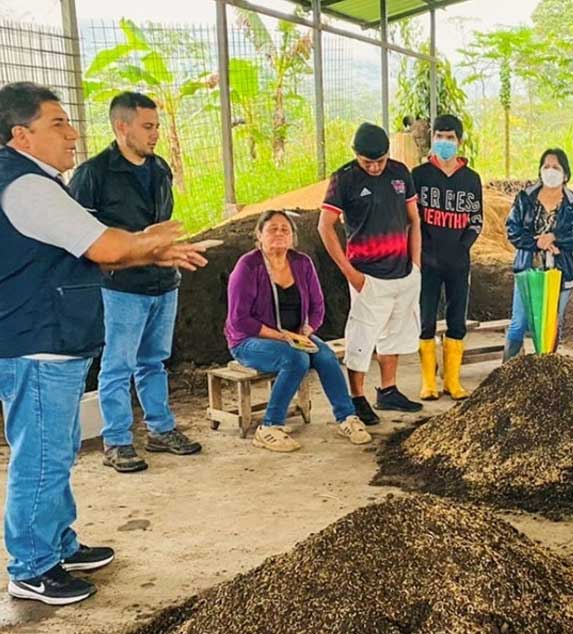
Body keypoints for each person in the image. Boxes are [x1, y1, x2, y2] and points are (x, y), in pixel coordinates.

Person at [0, 82, 206, 605]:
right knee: (42, 458)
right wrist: (148, 243)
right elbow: (104, 244)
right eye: (58, 124)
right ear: (21, 135)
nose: (72, 134)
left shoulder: (38, 182)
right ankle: (31, 566)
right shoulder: (27, 187)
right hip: (38, 345)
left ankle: (57, 542)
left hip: (53, 341)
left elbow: (98, 251)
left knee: (58, 450)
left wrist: (150, 255)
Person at [67, 91, 201, 473]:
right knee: (117, 366)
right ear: (121, 126)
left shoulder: (159, 169)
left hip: (163, 281)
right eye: (147, 127)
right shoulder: (93, 174)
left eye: (156, 126)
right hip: (121, 287)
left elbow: (162, 227)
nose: (155, 134)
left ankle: (160, 429)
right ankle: (118, 440)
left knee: (154, 362)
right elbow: (82, 236)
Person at [226, 211, 372, 452]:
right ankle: (269, 426)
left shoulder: (302, 262)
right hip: (249, 340)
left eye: (285, 229)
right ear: (259, 235)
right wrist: (282, 337)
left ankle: (347, 417)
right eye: (272, 229)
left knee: (325, 354)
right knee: (295, 358)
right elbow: (239, 320)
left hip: (294, 335)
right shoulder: (248, 266)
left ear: (293, 237)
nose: (279, 233)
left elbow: (317, 306)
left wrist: (308, 329)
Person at [318, 122, 423, 422]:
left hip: (403, 271)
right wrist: (351, 273)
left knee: (396, 332)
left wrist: (415, 265)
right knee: (363, 335)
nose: (375, 167)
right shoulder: (344, 178)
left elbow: (414, 220)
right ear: (356, 156)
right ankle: (357, 397)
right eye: (368, 162)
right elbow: (325, 226)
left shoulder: (401, 173)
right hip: (366, 275)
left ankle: (388, 391)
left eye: (380, 160)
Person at [412, 114, 484, 400]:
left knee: (456, 319)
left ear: (460, 141)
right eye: (439, 137)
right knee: (426, 317)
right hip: (426, 261)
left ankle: (452, 380)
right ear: (432, 140)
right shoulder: (418, 176)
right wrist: (422, 250)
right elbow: (411, 218)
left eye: (450, 138)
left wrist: (462, 246)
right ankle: (428, 382)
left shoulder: (471, 179)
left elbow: (476, 220)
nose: (444, 143)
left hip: (458, 262)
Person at [503, 148, 573, 360]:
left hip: (560, 272)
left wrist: (555, 238)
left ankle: (547, 371)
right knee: (519, 323)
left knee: (550, 325)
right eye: (546, 166)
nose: (550, 171)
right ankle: (506, 373)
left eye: (556, 167)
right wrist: (537, 242)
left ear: (565, 174)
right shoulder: (525, 198)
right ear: (540, 171)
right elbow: (512, 230)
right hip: (528, 268)